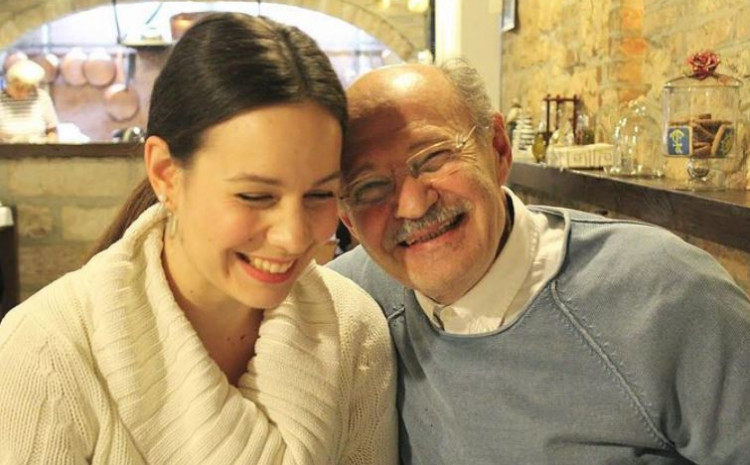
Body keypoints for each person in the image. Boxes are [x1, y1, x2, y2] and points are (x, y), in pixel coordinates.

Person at [0, 13, 397, 464]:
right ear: (165, 173)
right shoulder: (45, 352)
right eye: (255, 195)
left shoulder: (352, 329)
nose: (292, 237)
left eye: (319, 194)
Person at [329, 60, 750, 464]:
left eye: (434, 158)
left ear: (498, 149)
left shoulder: (665, 293)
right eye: (369, 188)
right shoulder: (344, 303)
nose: (412, 204)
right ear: (348, 218)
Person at [0, 59, 58, 143]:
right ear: (9, 82)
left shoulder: (41, 97)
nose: (23, 93)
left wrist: (50, 143)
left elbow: (52, 130)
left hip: (38, 149)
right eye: (19, 88)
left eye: (29, 89)